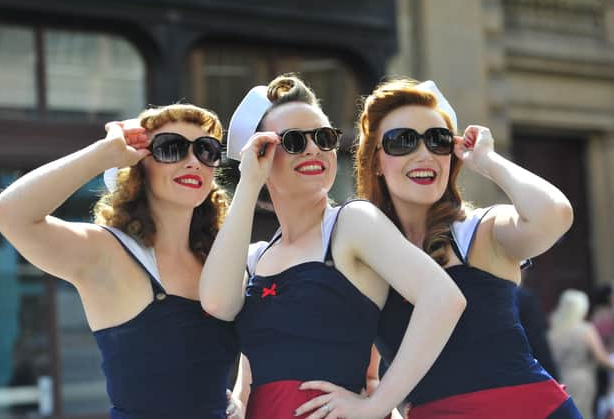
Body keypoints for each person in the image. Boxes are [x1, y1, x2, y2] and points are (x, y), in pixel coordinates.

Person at [199, 74, 466, 419]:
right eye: (294, 141)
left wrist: (377, 405)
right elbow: (219, 305)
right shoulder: (256, 257)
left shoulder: (352, 223)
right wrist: (249, 183)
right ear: (261, 154)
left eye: (324, 138)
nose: (314, 149)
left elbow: (444, 298)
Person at [341, 78, 580, 418]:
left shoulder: (478, 231)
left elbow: (555, 215)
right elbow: (369, 378)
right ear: (375, 161)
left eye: (437, 141)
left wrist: (487, 161)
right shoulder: (365, 254)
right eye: (402, 141)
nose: (424, 153)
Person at [0, 104, 243, 418]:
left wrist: (240, 396)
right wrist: (102, 154)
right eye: (171, 149)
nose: (193, 162)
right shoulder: (107, 252)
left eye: (206, 150)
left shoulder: (219, 258)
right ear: (137, 164)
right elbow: (9, 214)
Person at [549, 289, 614, 419]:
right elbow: (601, 357)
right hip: (582, 381)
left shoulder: (553, 331)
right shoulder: (585, 330)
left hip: (559, 380)